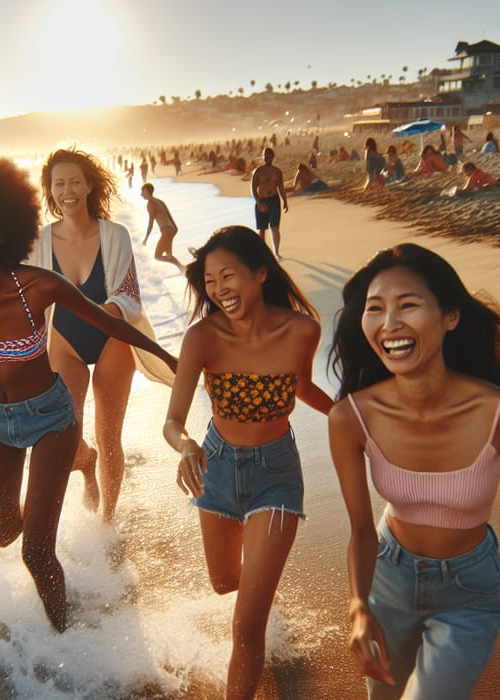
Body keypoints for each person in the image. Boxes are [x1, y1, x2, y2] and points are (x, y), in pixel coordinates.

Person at [0, 147, 176, 631]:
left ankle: (91, 562)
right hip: (23, 385)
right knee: (8, 528)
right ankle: (82, 464)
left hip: (82, 370)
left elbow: (123, 304)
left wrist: (174, 359)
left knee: (44, 537)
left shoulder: (86, 252)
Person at [327, 243, 500, 699]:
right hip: (388, 575)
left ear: (450, 316)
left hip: (470, 592)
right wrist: (359, 606)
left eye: (408, 305)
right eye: (375, 309)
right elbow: (360, 528)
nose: (389, 323)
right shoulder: (351, 418)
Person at [164, 226, 333, 700]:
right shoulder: (201, 337)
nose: (219, 290)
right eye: (210, 281)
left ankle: (258, 602)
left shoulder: (302, 330)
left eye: (228, 276)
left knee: (246, 625)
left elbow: (301, 386)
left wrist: (346, 414)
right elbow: (173, 421)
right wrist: (186, 446)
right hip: (214, 465)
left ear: (260, 273)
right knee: (223, 584)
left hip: (276, 474)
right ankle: (259, 587)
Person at [31, 147, 175, 521]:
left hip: (113, 337)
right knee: (68, 441)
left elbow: (128, 297)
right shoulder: (40, 243)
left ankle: (107, 523)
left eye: (75, 181)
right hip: (64, 340)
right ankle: (85, 462)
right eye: (59, 183)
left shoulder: (114, 235)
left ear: (89, 185)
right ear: (49, 189)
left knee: (110, 438)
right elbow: (26, 300)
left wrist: (100, 312)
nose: (68, 190)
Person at [251, 147, 289, 259]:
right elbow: (253, 188)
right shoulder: (258, 171)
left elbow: (281, 187)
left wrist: (285, 201)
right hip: (261, 200)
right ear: (263, 157)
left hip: (274, 200)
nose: (267, 157)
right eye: (265, 155)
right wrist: (258, 202)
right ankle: (263, 252)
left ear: (272, 157)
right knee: (262, 229)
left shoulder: (277, 171)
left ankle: (276, 252)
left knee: (275, 227)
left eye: (269, 155)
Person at [140, 182, 185, 273]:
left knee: (157, 256)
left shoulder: (150, 204)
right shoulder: (160, 201)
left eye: (142, 191)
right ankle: (182, 270)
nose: (141, 194)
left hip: (166, 231)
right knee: (169, 255)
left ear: (147, 191)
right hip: (171, 229)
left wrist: (146, 238)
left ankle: (182, 267)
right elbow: (170, 217)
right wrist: (173, 231)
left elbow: (151, 223)